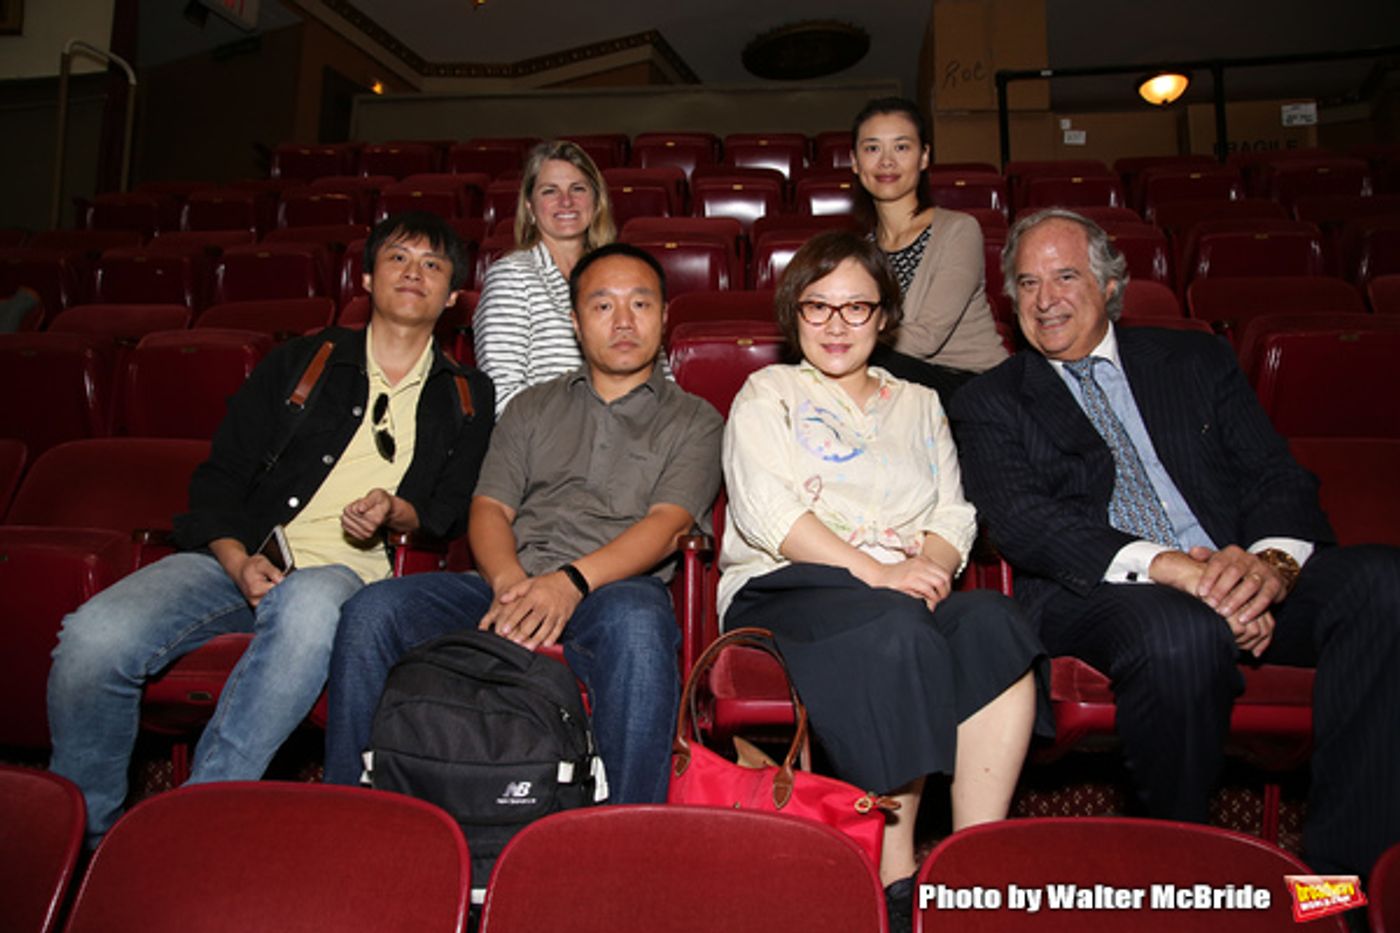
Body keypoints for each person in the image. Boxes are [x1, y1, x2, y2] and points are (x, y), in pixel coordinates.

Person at [951, 207, 1400, 880]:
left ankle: (1347, 880)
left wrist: (1268, 569)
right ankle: (1179, 868)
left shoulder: (1194, 360)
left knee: (1382, 584)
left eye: (1065, 276)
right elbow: (1024, 521)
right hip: (1097, 589)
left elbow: (1275, 475)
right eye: (1027, 283)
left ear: (1109, 285)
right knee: (1179, 632)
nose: (1045, 300)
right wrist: (1174, 571)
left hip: (1233, 565)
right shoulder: (991, 399)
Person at [47, 212, 494, 846]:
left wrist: (395, 511)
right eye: (397, 258)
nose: (412, 273)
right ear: (368, 277)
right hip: (240, 557)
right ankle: (87, 843)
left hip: (346, 577)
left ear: (452, 297)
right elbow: (219, 478)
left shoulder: (468, 396)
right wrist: (236, 560)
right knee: (93, 638)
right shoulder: (301, 362)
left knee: (307, 607)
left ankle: (183, 833)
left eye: (432, 265)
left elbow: (445, 512)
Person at [718, 230, 1048, 928]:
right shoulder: (769, 392)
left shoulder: (919, 403)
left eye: (857, 307)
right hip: (787, 585)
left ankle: (969, 865)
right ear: (794, 314)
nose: (837, 324)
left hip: (900, 590)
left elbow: (953, 511)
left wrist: (929, 569)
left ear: (884, 316)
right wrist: (881, 572)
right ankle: (894, 877)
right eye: (817, 307)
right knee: (896, 626)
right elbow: (768, 512)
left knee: (994, 621)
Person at [324, 242, 723, 804]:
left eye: (640, 304)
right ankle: (350, 804)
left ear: (663, 319)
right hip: (510, 578)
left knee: (639, 626)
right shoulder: (531, 407)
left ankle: (631, 823)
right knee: (371, 611)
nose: (623, 321)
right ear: (576, 322)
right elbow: (491, 507)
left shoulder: (695, 420)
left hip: (614, 590)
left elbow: (667, 523)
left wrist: (570, 583)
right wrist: (509, 580)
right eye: (603, 306)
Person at [850, 96, 1007, 404]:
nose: (886, 161)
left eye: (901, 147)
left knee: (855, 365)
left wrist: (841, 340)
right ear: (855, 162)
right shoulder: (862, 252)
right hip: (901, 381)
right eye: (872, 148)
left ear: (924, 157)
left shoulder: (958, 230)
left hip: (972, 384)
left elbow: (926, 338)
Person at [473, 140, 616, 415]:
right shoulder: (511, 277)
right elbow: (501, 395)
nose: (566, 201)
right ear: (530, 206)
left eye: (578, 189)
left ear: (596, 201)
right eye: (550, 191)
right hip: (547, 437)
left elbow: (659, 380)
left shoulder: (621, 276)